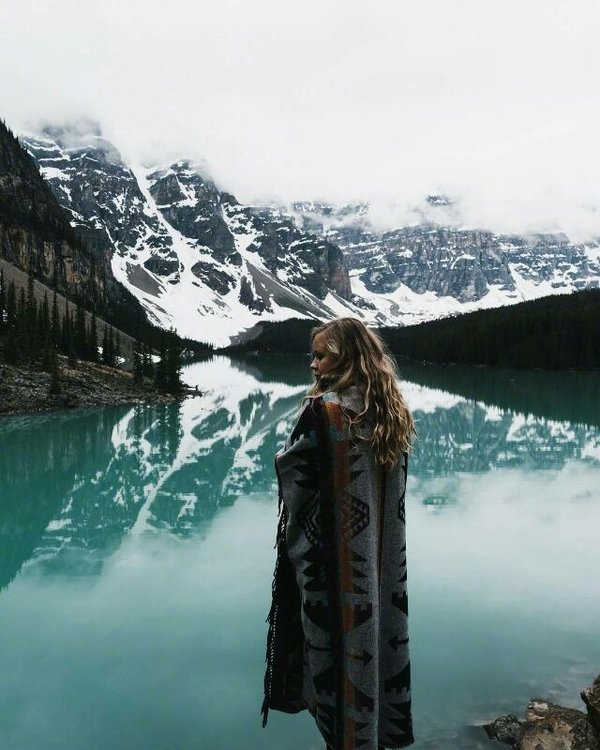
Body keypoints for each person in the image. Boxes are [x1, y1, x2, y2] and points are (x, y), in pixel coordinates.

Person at [262, 318, 415, 750]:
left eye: (321, 355)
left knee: (334, 659)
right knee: (378, 648)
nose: (313, 365)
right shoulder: (392, 413)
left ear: (345, 358)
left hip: (335, 575)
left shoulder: (325, 413)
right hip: (383, 572)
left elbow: (295, 474)